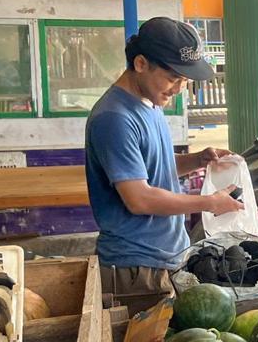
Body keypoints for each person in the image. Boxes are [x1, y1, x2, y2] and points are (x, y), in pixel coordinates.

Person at [85, 16, 241, 313]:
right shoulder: (115, 118)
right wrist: (208, 202)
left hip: (164, 257)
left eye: (185, 80)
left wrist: (197, 160)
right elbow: (139, 199)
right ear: (141, 64)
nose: (179, 88)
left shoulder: (150, 102)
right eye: (173, 77)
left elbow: (151, 169)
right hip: (135, 269)